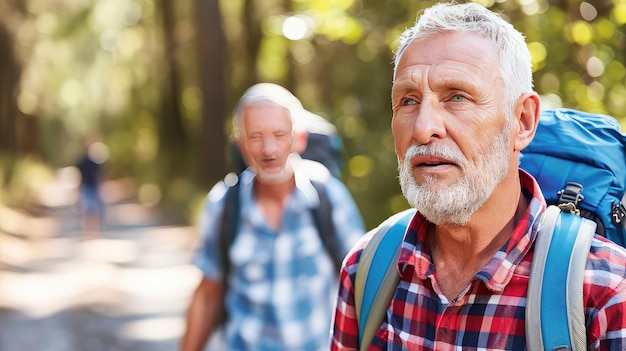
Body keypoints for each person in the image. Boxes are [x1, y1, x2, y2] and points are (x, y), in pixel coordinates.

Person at [330, 2, 626, 350]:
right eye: (408, 101)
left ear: (523, 122)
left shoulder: (606, 293)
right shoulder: (368, 267)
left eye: (457, 96)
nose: (424, 128)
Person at [181, 83, 365, 351]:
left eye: (279, 135)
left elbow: (362, 283)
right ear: (240, 143)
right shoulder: (223, 205)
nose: (269, 150)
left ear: (298, 138)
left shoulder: (328, 196)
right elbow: (207, 295)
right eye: (255, 137)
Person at [76, 138, 108, 236]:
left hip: (90, 187)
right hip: (89, 187)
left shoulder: (92, 161)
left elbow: (100, 174)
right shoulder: (87, 161)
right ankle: (92, 231)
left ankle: (92, 231)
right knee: (91, 210)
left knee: (91, 210)